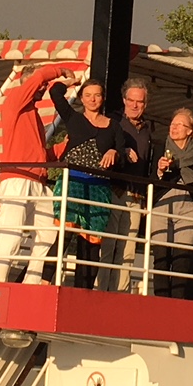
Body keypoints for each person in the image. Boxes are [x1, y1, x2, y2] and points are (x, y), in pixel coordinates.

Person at [45, 77, 123, 290]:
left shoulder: (114, 126)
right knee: (65, 234)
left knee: (91, 243)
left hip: (99, 187)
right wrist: (71, 81)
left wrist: (114, 151)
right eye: (88, 95)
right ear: (81, 98)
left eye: (97, 95)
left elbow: (122, 154)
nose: (92, 99)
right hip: (73, 183)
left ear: (103, 98)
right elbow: (55, 92)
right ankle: (45, 282)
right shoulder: (74, 118)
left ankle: (83, 292)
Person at [105, 77, 154, 290]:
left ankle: (121, 293)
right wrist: (121, 150)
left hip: (137, 195)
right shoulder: (113, 122)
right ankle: (102, 290)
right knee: (109, 244)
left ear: (145, 104)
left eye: (140, 101)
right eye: (131, 100)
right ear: (124, 100)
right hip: (115, 191)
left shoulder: (148, 129)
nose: (135, 105)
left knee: (129, 249)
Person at [151, 108, 193, 298]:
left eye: (179, 125)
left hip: (188, 205)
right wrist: (159, 171)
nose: (173, 128)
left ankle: (177, 302)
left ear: (190, 130)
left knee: (182, 258)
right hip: (162, 202)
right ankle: (161, 301)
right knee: (161, 256)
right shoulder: (159, 147)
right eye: (172, 124)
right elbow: (149, 177)